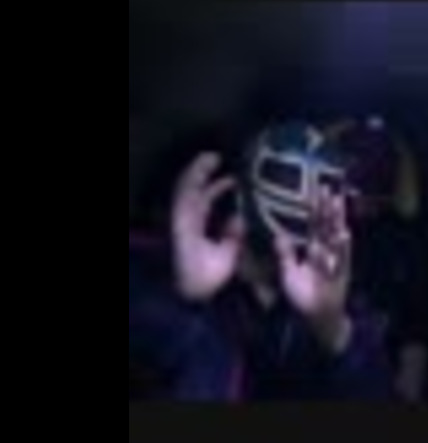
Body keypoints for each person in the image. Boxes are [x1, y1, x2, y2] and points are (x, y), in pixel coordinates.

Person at [130, 119, 393, 400]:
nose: (302, 196)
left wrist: (333, 330)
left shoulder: (331, 300)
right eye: (287, 176)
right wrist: (180, 297)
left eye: (323, 183)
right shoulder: (165, 261)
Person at [323, 115, 428, 402]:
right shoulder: (316, 235)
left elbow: (414, 332)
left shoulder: (402, 243)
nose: (364, 192)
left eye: (377, 173)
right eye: (356, 173)